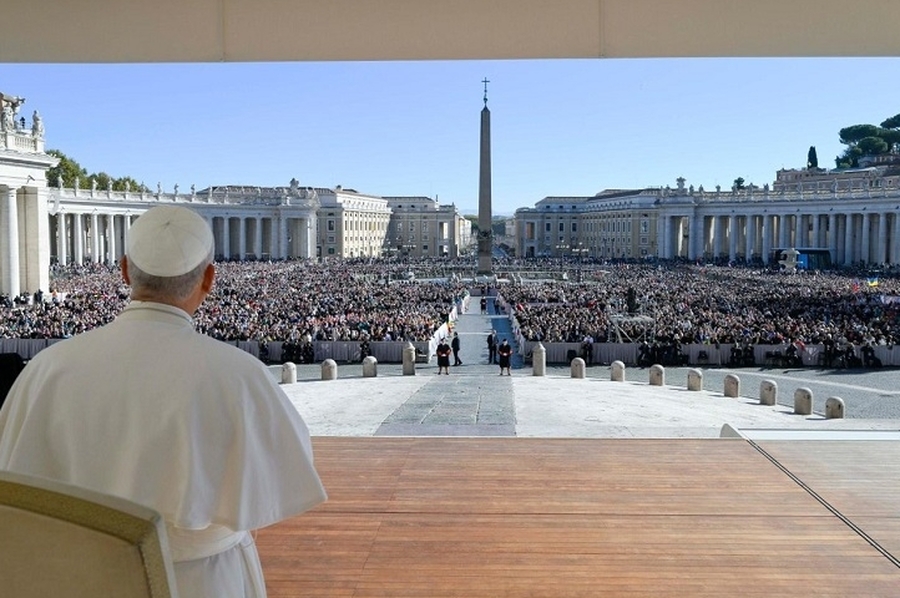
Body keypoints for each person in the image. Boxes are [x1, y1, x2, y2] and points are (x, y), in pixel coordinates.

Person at [0, 205, 327, 597]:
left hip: (77, 577)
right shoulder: (240, 374)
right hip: (202, 582)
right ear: (209, 277)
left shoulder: (46, 369)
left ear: (124, 270)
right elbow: (284, 478)